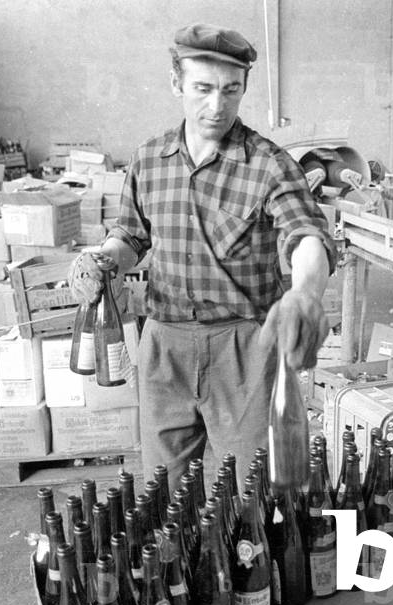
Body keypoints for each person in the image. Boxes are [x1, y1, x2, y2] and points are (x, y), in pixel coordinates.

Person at [68, 23, 336, 491]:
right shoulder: (149, 159)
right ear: (177, 84)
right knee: (163, 491)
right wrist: (105, 260)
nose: (217, 106)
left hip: (243, 351)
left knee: (257, 491)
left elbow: (306, 233)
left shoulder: (268, 163)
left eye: (231, 91)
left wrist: (305, 293)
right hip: (164, 348)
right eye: (203, 89)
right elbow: (131, 237)